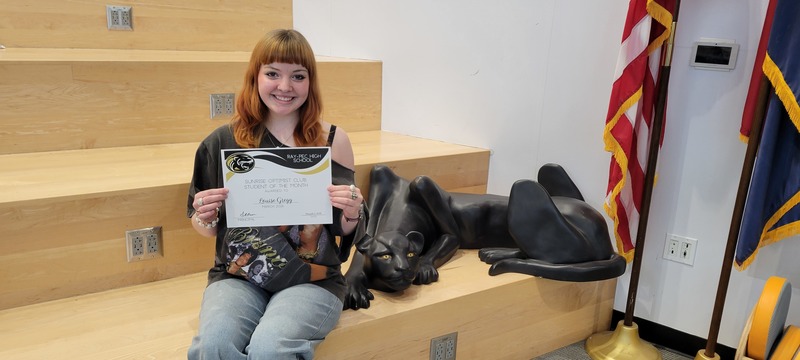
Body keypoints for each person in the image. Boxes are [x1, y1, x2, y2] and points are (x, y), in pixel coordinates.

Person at [186, 29, 365, 359]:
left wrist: (352, 210)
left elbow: (343, 229)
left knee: (271, 349)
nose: (285, 87)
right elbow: (205, 225)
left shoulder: (332, 140)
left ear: (310, 83)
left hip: (312, 280)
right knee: (213, 346)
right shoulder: (223, 140)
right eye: (273, 74)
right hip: (238, 275)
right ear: (255, 77)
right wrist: (204, 215)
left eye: (298, 76)